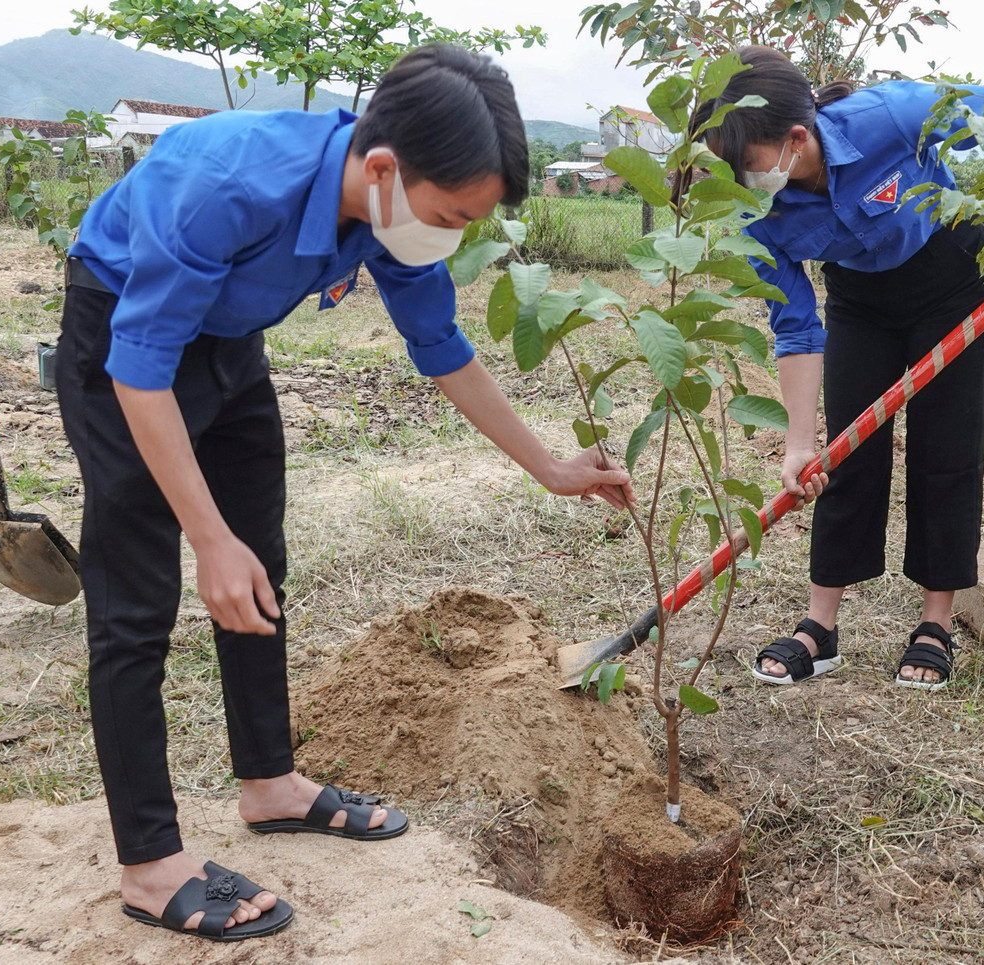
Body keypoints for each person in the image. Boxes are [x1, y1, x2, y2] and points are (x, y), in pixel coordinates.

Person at [57, 44, 634, 942]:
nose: (448, 236)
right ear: (382, 167)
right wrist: (203, 535)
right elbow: (140, 368)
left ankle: (269, 782)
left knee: (263, 561)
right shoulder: (227, 185)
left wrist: (552, 467)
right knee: (136, 601)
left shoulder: (390, 216)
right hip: (122, 336)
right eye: (449, 215)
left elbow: (441, 347)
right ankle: (149, 861)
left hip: (229, 339)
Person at [691, 47, 984, 690]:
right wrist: (798, 442)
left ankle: (935, 624)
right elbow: (795, 324)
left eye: (747, 166)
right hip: (860, 302)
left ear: (795, 137)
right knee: (844, 455)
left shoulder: (890, 115)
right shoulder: (752, 214)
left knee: (946, 451)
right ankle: (820, 627)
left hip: (952, 276)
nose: (742, 183)